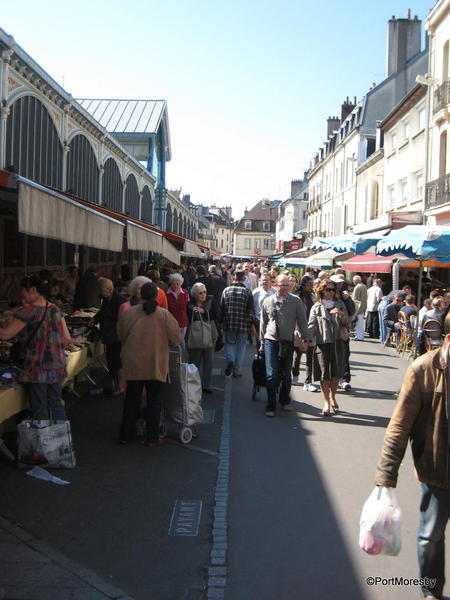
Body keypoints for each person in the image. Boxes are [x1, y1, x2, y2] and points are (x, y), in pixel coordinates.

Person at [375, 314, 450, 600]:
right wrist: (386, 474)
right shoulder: (423, 369)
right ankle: (430, 591)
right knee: (431, 536)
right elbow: (400, 424)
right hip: (437, 467)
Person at [117, 282, 180, 446]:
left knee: (132, 399)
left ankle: (126, 434)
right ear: (156, 296)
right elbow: (175, 339)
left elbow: (121, 334)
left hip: (133, 363)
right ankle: (152, 437)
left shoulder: (129, 313)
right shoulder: (164, 315)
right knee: (154, 401)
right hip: (156, 363)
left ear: (140, 295)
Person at [0, 275, 70, 420]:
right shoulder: (54, 308)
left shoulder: (29, 311)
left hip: (38, 367)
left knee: (39, 406)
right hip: (57, 364)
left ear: (33, 290)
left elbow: (5, 334)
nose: (22, 294)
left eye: (23, 291)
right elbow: (66, 339)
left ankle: (44, 441)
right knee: (56, 402)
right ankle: (60, 440)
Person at [260, 274, 309, 417]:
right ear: (275, 285)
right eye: (282, 285)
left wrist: (305, 340)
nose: (285, 288)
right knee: (271, 374)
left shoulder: (296, 301)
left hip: (288, 341)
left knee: (287, 374)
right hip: (271, 340)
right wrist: (262, 343)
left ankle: (284, 399)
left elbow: (303, 322)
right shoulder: (268, 301)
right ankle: (271, 405)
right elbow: (263, 323)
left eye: (287, 285)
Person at [308, 279, 349, 416]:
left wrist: (341, 315)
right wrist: (306, 340)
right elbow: (311, 325)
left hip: (338, 342)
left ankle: (333, 396)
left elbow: (348, 322)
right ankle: (326, 401)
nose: (331, 292)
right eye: (328, 290)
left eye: (333, 290)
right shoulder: (316, 307)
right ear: (322, 291)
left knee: (337, 373)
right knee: (323, 373)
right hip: (322, 342)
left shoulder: (339, 304)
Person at [219, 270, 256, 378]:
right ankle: (237, 370)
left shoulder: (226, 290)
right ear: (244, 279)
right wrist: (251, 325)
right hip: (243, 324)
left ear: (234, 278)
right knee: (241, 346)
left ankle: (230, 360)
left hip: (229, 322)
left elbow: (221, 307)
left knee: (229, 343)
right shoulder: (248, 292)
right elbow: (250, 311)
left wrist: (220, 321)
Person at [93, 278, 126, 394]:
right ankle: (117, 385)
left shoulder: (119, 301)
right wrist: (95, 319)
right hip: (109, 336)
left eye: (100, 290)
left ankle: (121, 387)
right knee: (112, 361)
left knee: (118, 362)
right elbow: (102, 312)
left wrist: (102, 318)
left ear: (108, 289)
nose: (99, 293)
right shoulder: (106, 300)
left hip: (116, 336)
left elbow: (121, 318)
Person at [187, 282, 218, 393]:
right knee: (194, 362)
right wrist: (194, 311)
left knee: (208, 361)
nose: (203, 295)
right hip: (196, 335)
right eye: (200, 293)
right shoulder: (190, 304)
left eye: (204, 292)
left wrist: (204, 311)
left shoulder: (210, 301)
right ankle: (193, 384)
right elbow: (188, 317)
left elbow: (215, 315)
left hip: (209, 334)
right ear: (195, 294)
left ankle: (206, 386)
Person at [294, 276, 317, 391]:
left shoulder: (313, 297)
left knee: (310, 356)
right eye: (309, 284)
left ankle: (308, 382)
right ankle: (295, 375)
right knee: (297, 355)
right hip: (298, 329)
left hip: (311, 328)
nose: (311, 286)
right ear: (303, 285)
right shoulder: (297, 298)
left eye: (312, 284)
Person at [165, 273, 190, 355]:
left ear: (180, 284)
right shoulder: (166, 293)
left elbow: (187, 306)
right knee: (171, 340)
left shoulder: (185, 292)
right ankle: (171, 357)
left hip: (182, 320)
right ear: (170, 283)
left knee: (181, 340)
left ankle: (181, 357)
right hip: (170, 320)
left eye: (177, 284)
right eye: (173, 283)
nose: (175, 286)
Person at [352, 275, 367, 341]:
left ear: (355, 281)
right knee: (360, 322)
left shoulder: (357, 287)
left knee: (358, 323)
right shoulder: (364, 286)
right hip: (363, 306)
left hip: (358, 307)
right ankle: (359, 335)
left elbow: (355, 299)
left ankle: (359, 336)